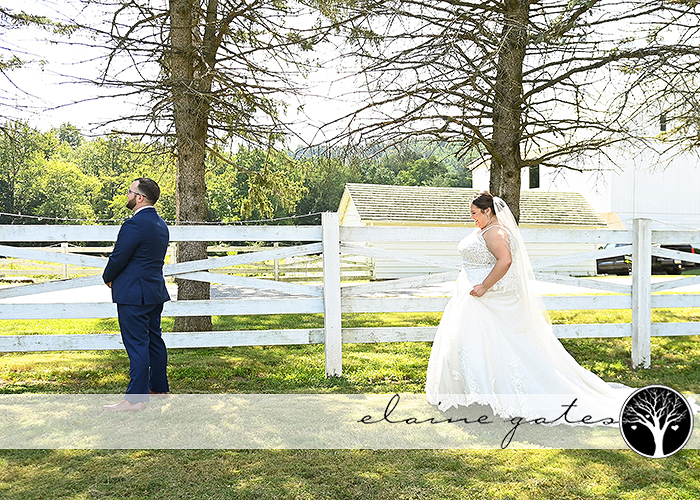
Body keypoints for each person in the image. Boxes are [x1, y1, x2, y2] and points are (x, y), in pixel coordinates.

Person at [426, 191, 632, 423]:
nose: (472, 217)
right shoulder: (487, 229)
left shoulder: (495, 232)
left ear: (487, 211)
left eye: (474, 213)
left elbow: (505, 260)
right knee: (479, 343)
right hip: (474, 297)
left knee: (493, 342)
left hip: (485, 298)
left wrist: (484, 286)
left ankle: (495, 393)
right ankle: (478, 392)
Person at [102, 178, 171, 411]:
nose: (128, 195)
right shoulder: (161, 224)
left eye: (130, 191)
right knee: (154, 340)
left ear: (140, 197)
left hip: (133, 294)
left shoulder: (134, 224)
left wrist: (108, 277)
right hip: (154, 291)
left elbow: (119, 256)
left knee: (137, 344)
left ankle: (135, 400)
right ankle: (158, 388)